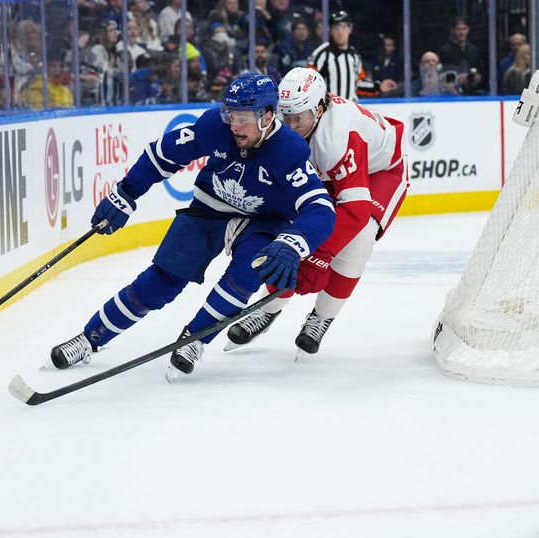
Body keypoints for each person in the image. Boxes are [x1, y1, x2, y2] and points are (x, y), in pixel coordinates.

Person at [50, 72, 335, 382]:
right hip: (209, 208)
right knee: (160, 282)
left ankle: (195, 339)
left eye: (243, 118)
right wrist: (127, 192)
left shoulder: (289, 149)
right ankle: (89, 338)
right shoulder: (216, 126)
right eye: (231, 114)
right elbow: (163, 154)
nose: (234, 125)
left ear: (268, 116)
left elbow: (320, 208)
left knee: (246, 271)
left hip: (264, 220)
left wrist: (294, 242)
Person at [226, 67, 408, 355]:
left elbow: (356, 209)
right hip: (329, 171)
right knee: (295, 232)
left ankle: (321, 317)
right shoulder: (288, 124)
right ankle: (268, 309)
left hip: (380, 172)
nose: (291, 125)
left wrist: (320, 254)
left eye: (298, 118)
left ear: (320, 109)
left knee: (358, 241)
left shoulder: (337, 137)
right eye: (285, 117)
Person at [307, 10, 364, 101]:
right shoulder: (321, 54)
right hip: (329, 110)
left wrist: (378, 87)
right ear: (330, 31)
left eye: (344, 28)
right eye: (336, 28)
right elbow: (308, 84)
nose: (340, 33)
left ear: (350, 29)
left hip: (351, 109)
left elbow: (359, 82)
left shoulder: (354, 55)